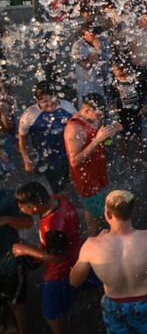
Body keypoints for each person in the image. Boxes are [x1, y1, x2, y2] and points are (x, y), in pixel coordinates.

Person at [69, 190, 147, 334]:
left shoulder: (91, 246)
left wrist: (95, 242)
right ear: (132, 212)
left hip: (116, 306)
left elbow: (74, 281)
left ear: (107, 214)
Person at [12, 182, 82, 334]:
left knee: (51, 314)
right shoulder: (58, 199)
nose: (20, 209)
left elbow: (57, 258)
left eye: (23, 207)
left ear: (35, 207)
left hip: (59, 272)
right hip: (75, 253)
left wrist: (26, 250)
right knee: (73, 289)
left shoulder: (53, 226)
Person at [64, 93, 120, 237]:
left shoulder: (94, 117)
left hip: (98, 168)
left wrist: (110, 135)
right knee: (98, 208)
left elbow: (104, 143)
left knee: (93, 208)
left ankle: (93, 232)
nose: (101, 117)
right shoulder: (74, 128)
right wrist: (97, 140)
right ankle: (95, 237)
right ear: (87, 110)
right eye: (98, 113)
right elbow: (74, 161)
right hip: (86, 177)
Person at [18, 81, 77, 192]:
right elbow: (22, 139)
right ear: (38, 101)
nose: (50, 104)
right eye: (45, 101)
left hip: (68, 152)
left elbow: (79, 127)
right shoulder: (29, 115)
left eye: (52, 99)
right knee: (55, 184)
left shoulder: (67, 107)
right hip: (46, 157)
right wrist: (26, 160)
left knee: (70, 178)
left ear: (56, 96)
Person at [0, 174, 33, 334]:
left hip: (9, 261)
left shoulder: (8, 197)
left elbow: (28, 223)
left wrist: (6, 220)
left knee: (17, 303)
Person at [109, 63, 147, 172]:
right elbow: (111, 98)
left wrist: (145, 105)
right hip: (122, 113)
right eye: (113, 69)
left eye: (115, 69)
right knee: (123, 137)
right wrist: (115, 113)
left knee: (138, 135)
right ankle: (126, 160)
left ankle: (138, 157)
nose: (113, 71)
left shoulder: (134, 79)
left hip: (136, 112)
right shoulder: (113, 83)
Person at [71, 21, 111, 107]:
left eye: (97, 33)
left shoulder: (103, 41)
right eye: (93, 33)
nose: (96, 36)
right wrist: (95, 50)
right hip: (87, 85)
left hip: (103, 83)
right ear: (84, 33)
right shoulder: (78, 46)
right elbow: (86, 65)